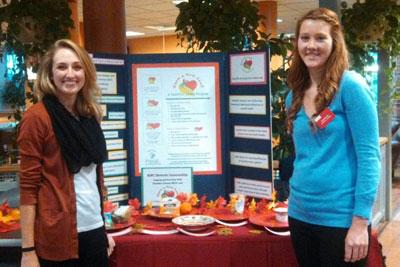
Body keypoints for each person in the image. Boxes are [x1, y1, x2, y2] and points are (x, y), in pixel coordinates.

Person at [285, 8, 380, 267]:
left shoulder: (351, 87)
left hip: (341, 218)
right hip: (300, 213)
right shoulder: (293, 95)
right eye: (305, 38)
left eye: (320, 38)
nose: (311, 45)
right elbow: (305, 155)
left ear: (334, 43)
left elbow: (370, 158)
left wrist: (361, 221)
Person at [18, 39, 115, 266]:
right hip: (57, 237)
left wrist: (103, 230)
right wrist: (28, 251)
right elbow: (28, 188)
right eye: (62, 67)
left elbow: (92, 181)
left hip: (94, 231)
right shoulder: (37, 118)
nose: (70, 74)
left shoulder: (90, 115)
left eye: (77, 67)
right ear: (50, 74)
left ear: (86, 73)